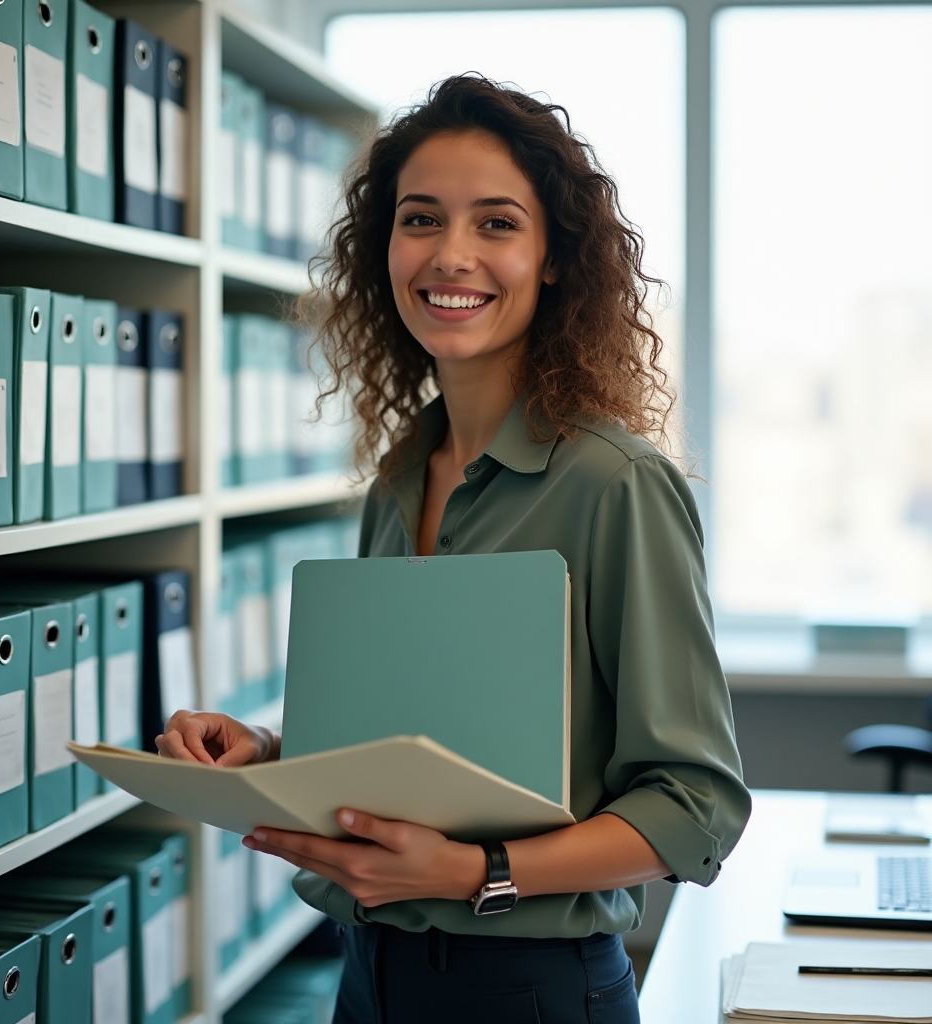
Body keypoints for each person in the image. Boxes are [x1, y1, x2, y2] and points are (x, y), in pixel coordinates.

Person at [157, 74, 751, 1023]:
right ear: (383, 247)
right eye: (421, 219)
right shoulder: (400, 475)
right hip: (369, 977)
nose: (452, 255)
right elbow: (414, 743)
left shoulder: (615, 484)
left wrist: (483, 874)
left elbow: (697, 807)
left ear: (555, 257)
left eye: (498, 224)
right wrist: (267, 750)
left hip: (530, 993)